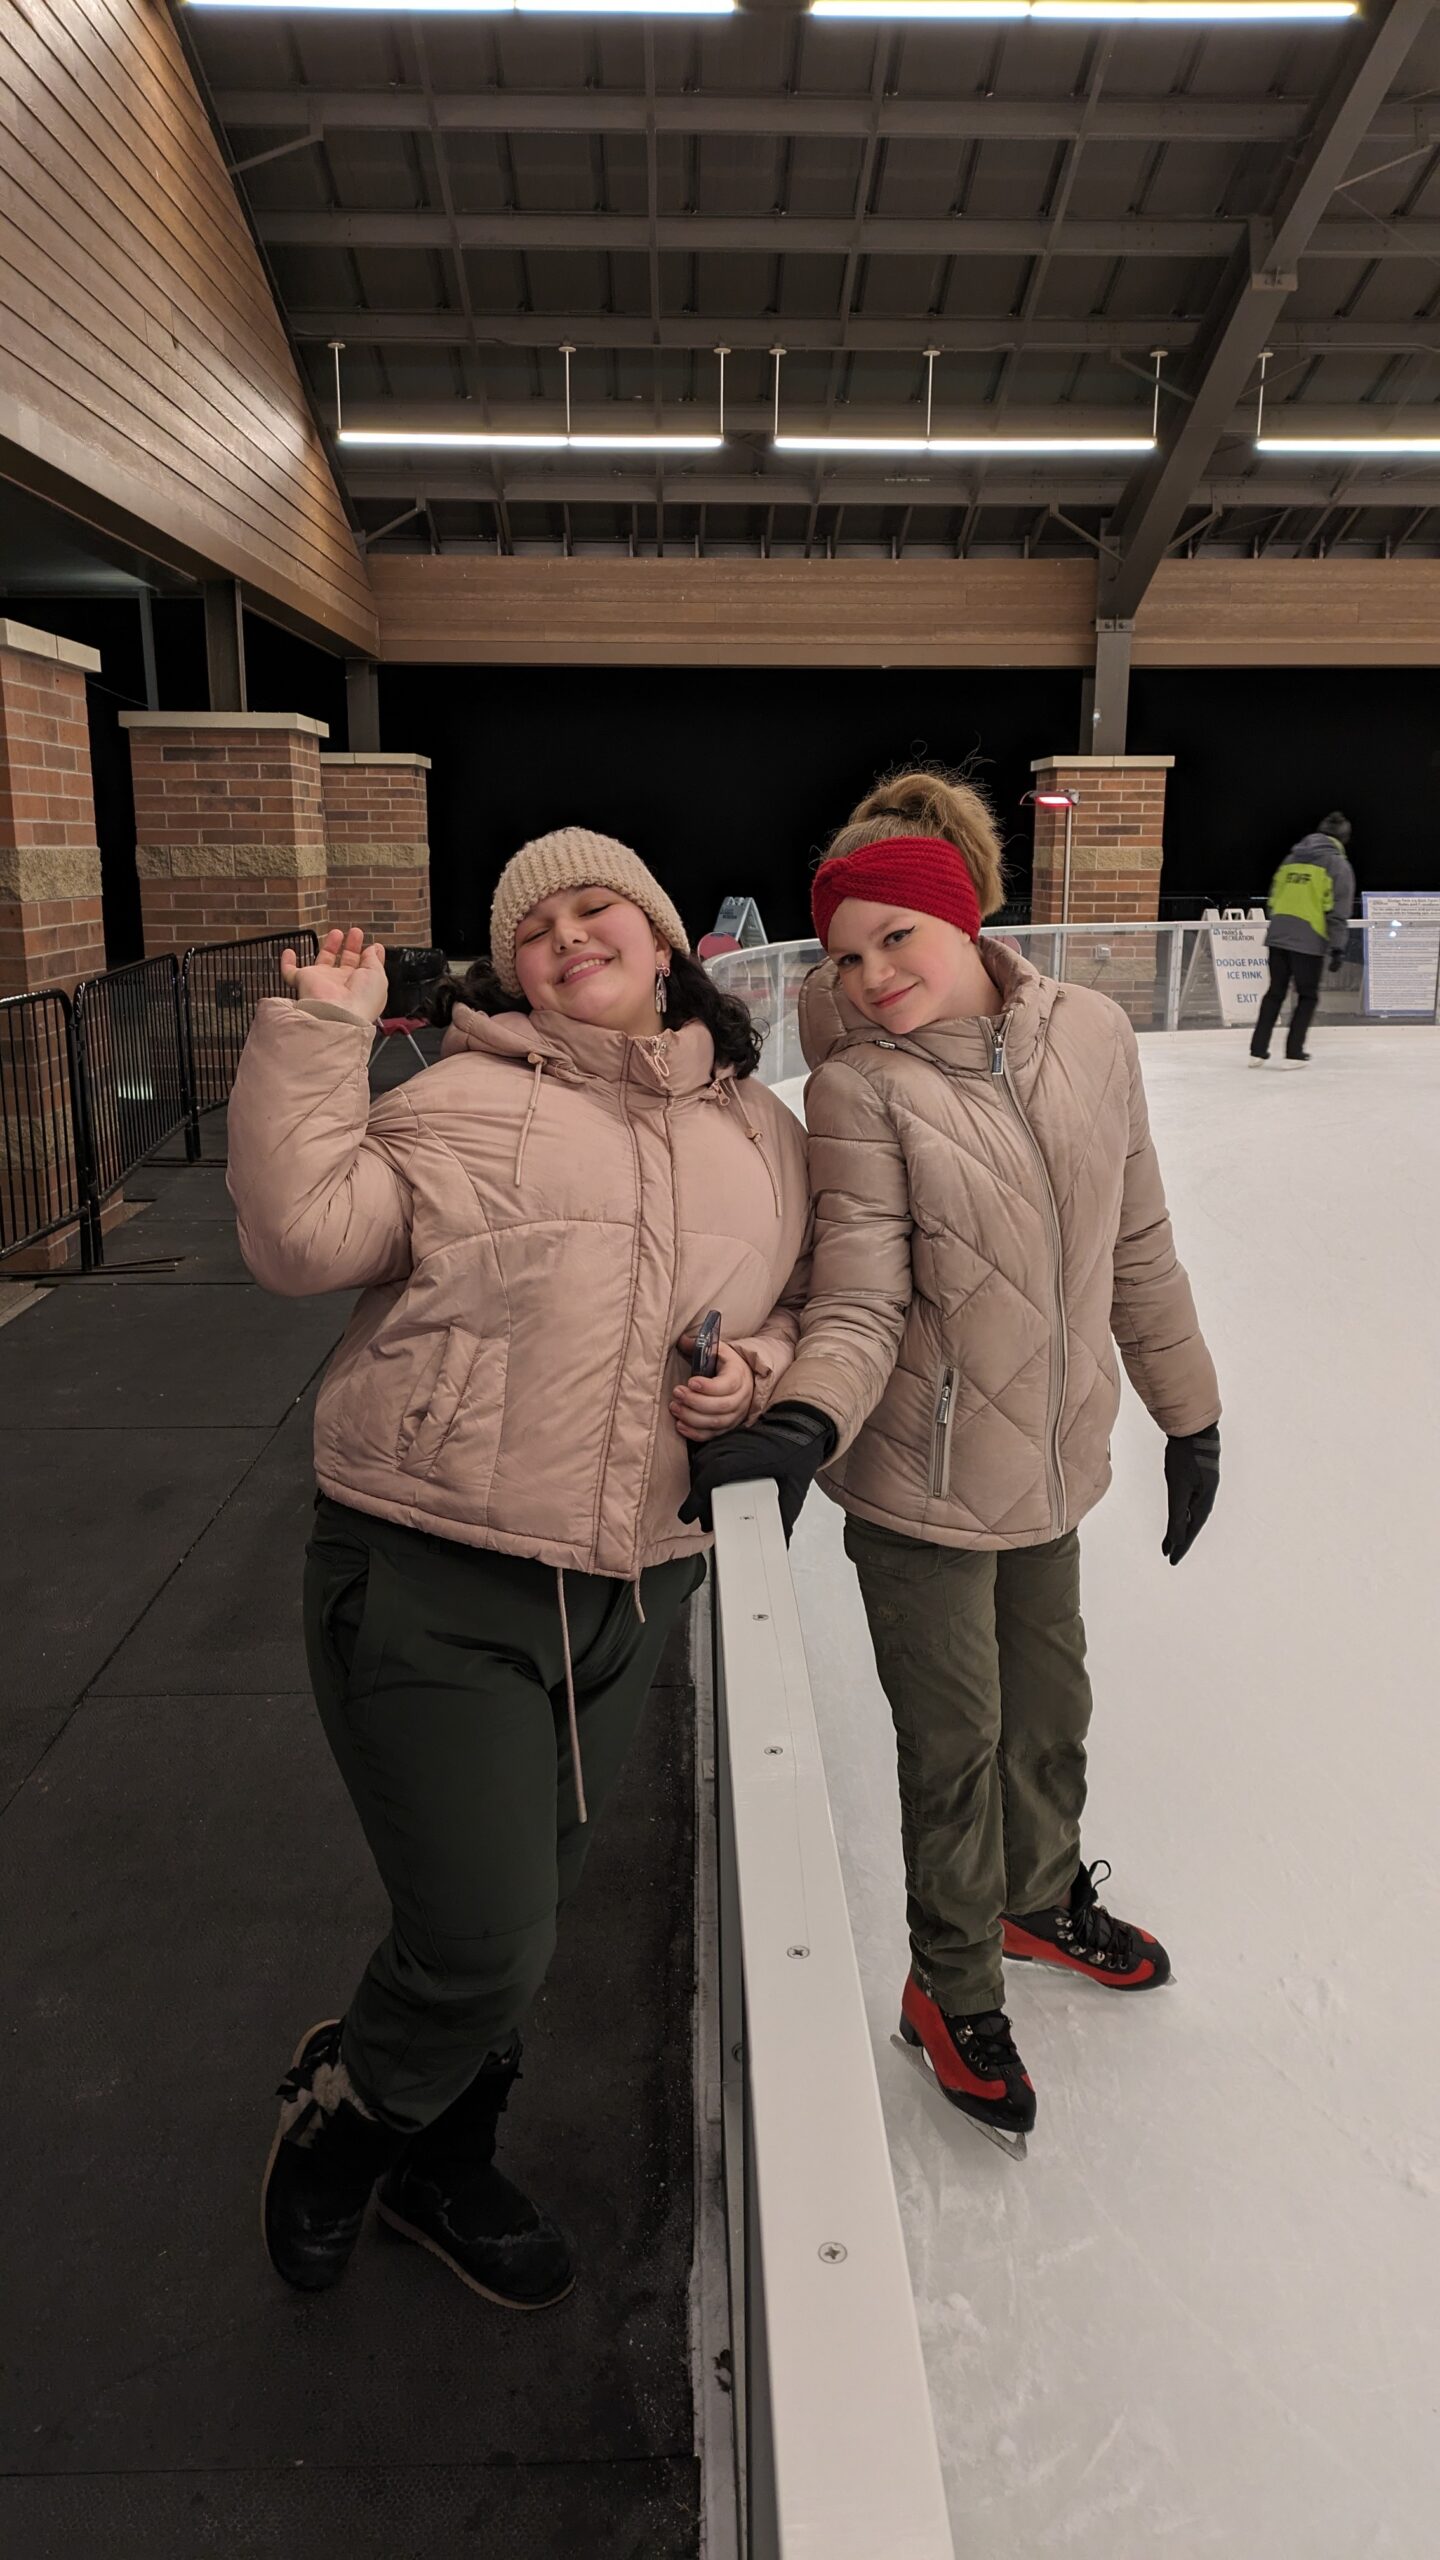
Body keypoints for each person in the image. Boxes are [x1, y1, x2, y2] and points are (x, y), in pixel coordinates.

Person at [226, 828, 810, 2302]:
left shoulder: (760, 1130)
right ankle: (349, 2121)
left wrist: (759, 1372)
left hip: (633, 1583)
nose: (568, 932)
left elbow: (804, 1303)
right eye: (534, 922)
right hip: (431, 1568)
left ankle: (440, 2152)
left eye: (597, 905)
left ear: (667, 939)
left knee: (522, 1921)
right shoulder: (451, 1101)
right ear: (512, 967)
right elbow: (297, 1240)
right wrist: (316, 1040)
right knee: (481, 1938)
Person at [683, 772, 1221, 2154]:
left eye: (893, 942)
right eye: (846, 956)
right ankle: (951, 1988)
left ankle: (1036, 1901)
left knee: (1053, 1708)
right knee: (955, 1745)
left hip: (1049, 1465)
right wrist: (805, 1418)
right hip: (918, 1479)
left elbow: (1136, 1246)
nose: (867, 977)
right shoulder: (862, 1091)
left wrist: (1190, 1412)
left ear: (962, 918)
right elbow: (860, 1297)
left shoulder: (1093, 1034)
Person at [1249, 811, 1355, 1066]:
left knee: (1275, 992)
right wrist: (1338, 947)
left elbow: (1273, 899)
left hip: (1278, 937)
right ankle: (1294, 1052)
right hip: (1309, 941)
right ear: (1343, 839)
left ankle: (1257, 1051)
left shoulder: (1290, 860)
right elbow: (1338, 910)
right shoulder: (1338, 865)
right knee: (1307, 995)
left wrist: (1282, 926)